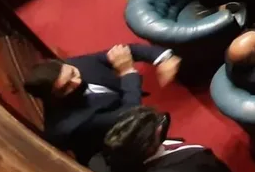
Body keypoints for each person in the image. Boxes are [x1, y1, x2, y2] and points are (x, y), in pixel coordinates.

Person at [24, 45, 181, 165]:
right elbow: (131, 114)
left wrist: (162, 58)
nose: (77, 81)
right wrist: (127, 72)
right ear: (53, 98)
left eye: (72, 73)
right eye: (66, 87)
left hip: (118, 111)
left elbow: (122, 52)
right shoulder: (71, 125)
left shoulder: (72, 65)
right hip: (116, 150)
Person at [91, 107, 238, 172]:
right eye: (157, 129)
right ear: (148, 149)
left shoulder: (96, 164)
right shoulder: (195, 163)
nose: (161, 125)